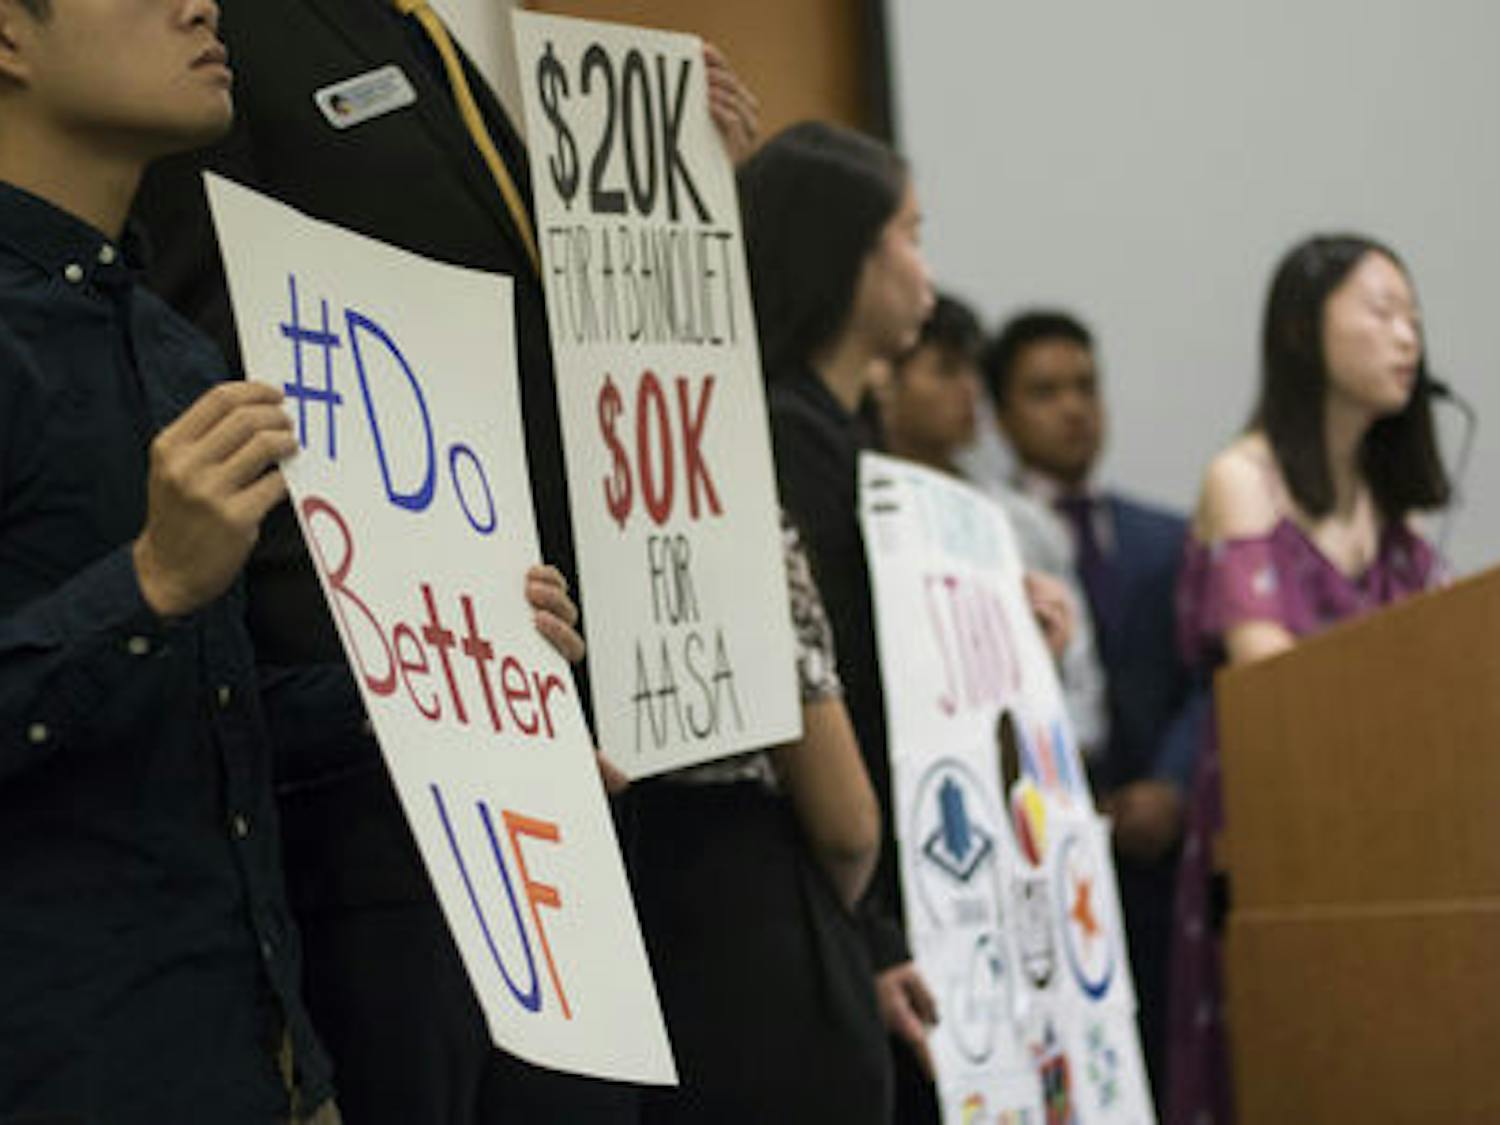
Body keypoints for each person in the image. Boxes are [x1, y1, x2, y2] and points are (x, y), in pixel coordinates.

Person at [131, 4, 760, 1120]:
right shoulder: (218, 43)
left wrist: (667, 166)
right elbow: (198, 367)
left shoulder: (412, 34)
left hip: (547, 723)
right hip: (384, 761)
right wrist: (366, 692)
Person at [742, 122, 1075, 1124]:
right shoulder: (784, 440)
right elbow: (824, 691)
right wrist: (874, 927)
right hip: (845, 912)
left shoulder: (842, 445)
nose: (926, 266)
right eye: (911, 233)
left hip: (897, 899)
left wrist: (1004, 630)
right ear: (847, 253)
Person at [1166, 234, 1448, 1125]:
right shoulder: (1242, 479)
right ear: (1299, 329)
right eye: (1380, 310)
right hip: (1278, 827)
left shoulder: (1392, 503)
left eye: (1414, 317)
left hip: (1390, 833)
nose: (1407, 337)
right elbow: (1273, 682)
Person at [983, 309, 1201, 1095]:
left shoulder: (1168, 536)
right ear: (1000, 413)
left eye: (1085, 386)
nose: (1073, 407)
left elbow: (1204, 677)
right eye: (1045, 391)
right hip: (1041, 853)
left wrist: (1173, 785)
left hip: (1154, 854)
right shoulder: (980, 533)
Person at [631, 513, 885, 1123]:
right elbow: (847, 828)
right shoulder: (729, 509)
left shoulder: (537, 492)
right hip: (760, 934)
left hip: (597, 938)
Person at [880, 292, 1108, 757]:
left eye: (972, 372)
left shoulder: (1017, 521)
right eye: (946, 370)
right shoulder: (861, 509)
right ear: (885, 380)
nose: (969, 390)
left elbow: (1079, 673)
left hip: (1031, 761)